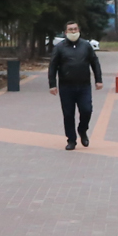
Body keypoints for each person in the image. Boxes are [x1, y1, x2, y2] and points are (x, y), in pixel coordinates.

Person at [47, 22, 104, 151]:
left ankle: (82, 130)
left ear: (79, 30)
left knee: (87, 110)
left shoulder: (86, 46)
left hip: (83, 86)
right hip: (66, 86)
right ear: (65, 32)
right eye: (70, 30)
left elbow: (94, 62)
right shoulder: (60, 47)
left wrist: (98, 80)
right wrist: (52, 84)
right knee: (68, 114)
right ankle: (71, 140)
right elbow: (53, 66)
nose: (73, 31)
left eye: (75, 29)